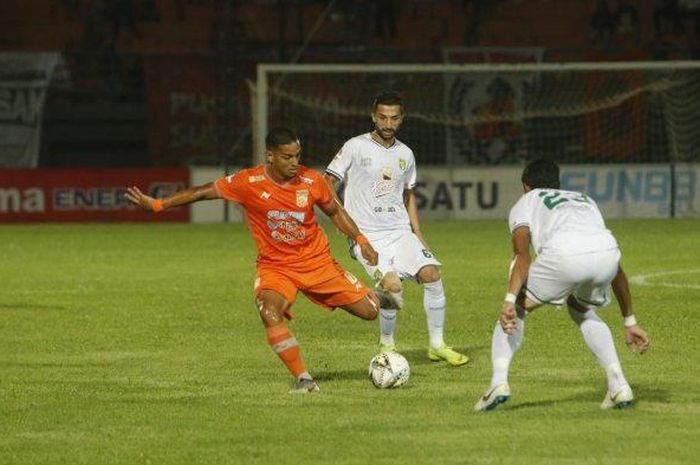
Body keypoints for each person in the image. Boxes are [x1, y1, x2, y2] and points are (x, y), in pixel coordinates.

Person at [126, 127, 394, 393]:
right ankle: (303, 379)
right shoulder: (248, 182)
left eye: (297, 156)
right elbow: (202, 192)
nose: (294, 163)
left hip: (317, 263)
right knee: (269, 311)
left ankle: (374, 295)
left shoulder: (312, 181)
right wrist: (158, 205)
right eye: (287, 157)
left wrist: (360, 240)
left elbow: (335, 211)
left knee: (369, 313)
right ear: (270, 156)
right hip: (276, 268)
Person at [474, 159, 650, 412]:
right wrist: (630, 321)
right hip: (607, 254)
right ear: (558, 183)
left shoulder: (527, 201)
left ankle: (498, 383)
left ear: (526, 186)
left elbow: (522, 255)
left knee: (519, 310)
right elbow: (617, 268)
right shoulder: (584, 199)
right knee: (580, 307)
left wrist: (510, 301)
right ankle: (619, 385)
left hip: (565, 255)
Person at [324, 91, 469, 366]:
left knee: (432, 273)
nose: (388, 123)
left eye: (394, 118)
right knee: (391, 286)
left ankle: (437, 345)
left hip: (400, 231)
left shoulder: (406, 154)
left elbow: (408, 195)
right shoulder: (355, 146)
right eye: (382, 117)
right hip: (367, 236)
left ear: (401, 119)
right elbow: (327, 183)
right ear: (373, 116)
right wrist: (340, 220)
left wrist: (418, 235)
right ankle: (387, 347)